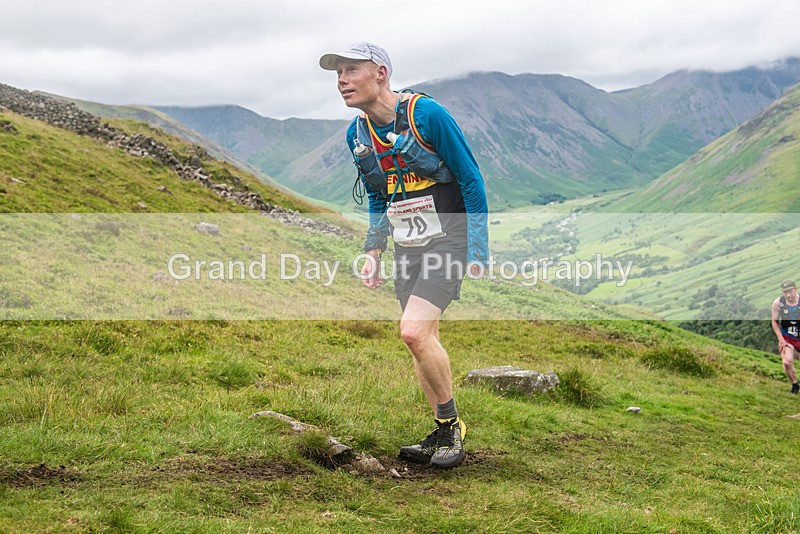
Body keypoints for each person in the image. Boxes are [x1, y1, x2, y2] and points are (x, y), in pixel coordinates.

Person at [319, 42, 489, 468]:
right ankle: (441, 429)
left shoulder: (426, 115)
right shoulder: (356, 134)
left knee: (412, 332)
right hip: (407, 244)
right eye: (337, 73)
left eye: (350, 70)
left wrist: (477, 247)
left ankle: (452, 429)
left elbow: (470, 177)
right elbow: (378, 195)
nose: (341, 80)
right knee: (422, 342)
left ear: (380, 73)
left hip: (448, 237)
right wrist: (374, 248)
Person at [771, 279, 800, 394]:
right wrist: (781, 339)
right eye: (785, 292)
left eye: (790, 291)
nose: (788, 295)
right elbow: (774, 322)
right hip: (787, 336)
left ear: (795, 289)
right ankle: (795, 385)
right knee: (787, 362)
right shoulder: (778, 303)